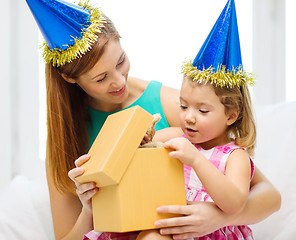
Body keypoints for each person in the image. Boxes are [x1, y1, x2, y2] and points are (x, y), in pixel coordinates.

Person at [24, 0, 280, 240]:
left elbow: (267, 195)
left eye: (121, 61)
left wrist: (216, 218)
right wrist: (89, 211)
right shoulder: (65, 136)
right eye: (101, 78)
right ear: (70, 78)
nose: (119, 81)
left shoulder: (172, 105)